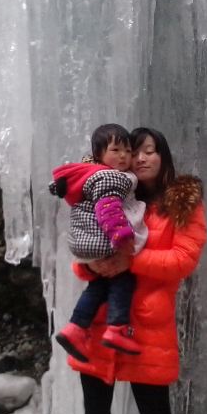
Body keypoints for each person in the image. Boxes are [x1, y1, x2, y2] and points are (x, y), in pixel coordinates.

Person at [60, 127, 207, 414]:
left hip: (147, 325)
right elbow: (81, 253)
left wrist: (131, 261)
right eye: (135, 151)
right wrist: (91, 265)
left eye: (150, 151)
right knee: (95, 402)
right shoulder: (110, 193)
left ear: (164, 157)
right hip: (101, 320)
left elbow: (183, 259)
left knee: (156, 413)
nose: (141, 158)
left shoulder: (182, 204)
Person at [50, 124, 149, 357]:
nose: (124, 155)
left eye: (127, 150)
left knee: (99, 286)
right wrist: (122, 238)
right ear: (99, 155)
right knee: (123, 282)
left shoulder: (89, 176)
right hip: (101, 241)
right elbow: (108, 208)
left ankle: (75, 327)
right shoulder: (108, 177)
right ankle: (117, 328)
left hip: (84, 243)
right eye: (115, 150)